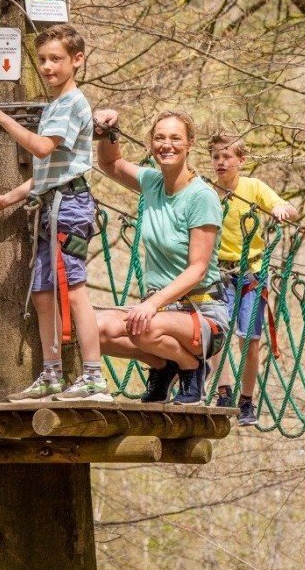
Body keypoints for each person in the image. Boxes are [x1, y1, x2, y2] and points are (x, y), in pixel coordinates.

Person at [0, 24, 110, 402]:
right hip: (53, 204)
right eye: (44, 60)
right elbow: (46, 175)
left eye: (56, 59)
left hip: (70, 207)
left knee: (74, 289)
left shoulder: (71, 104)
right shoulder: (56, 104)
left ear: (77, 60)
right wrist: (9, 198)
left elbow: (40, 149)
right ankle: (51, 373)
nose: (48, 67)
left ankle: (93, 375)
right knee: (42, 292)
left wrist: (0, 116)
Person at [90, 108, 230, 405]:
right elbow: (109, 162)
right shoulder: (152, 183)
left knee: (144, 327)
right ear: (151, 144)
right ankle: (163, 365)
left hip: (203, 314)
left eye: (176, 138)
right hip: (162, 314)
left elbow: (198, 269)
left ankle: (193, 368)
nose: (167, 145)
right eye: (160, 138)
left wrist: (151, 304)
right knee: (93, 329)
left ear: (190, 144)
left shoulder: (201, 197)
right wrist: (111, 129)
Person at [206, 134, 297, 425]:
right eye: (216, 157)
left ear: (241, 161)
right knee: (215, 332)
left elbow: (286, 207)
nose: (221, 162)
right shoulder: (207, 191)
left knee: (250, 340)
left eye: (227, 157)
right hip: (217, 271)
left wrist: (281, 209)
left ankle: (247, 400)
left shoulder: (253, 188)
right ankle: (223, 391)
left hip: (250, 274)